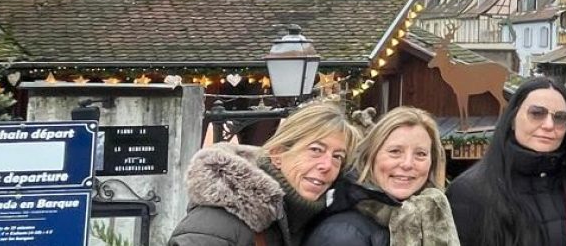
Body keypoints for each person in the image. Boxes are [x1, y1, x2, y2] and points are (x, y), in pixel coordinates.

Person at [170, 100, 359, 246]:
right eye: (316, 150)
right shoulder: (219, 224)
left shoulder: (309, 223)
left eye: (337, 156)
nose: (327, 165)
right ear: (278, 155)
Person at [448, 79, 566, 246]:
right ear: (512, 119)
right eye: (537, 113)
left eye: (560, 117)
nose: (548, 125)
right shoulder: (469, 191)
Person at [303, 107, 459, 246]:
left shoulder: (429, 216)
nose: (407, 164)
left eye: (420, 154)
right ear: (370, 157)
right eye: (395, 151)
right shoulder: (343, 234)